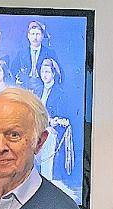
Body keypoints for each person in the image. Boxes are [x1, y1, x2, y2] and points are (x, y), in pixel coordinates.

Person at [33, 58, 74, 188]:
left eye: (48, 72)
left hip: (53, 133)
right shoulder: (37, 91)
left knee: (48, 136)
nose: (44, 75)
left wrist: (54, 121)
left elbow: (66, 119)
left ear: (53, 74)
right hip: (36, 130)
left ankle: (46, 180)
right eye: (43, 71)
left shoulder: (60, 94)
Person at [11, 20, 59, 93]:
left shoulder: (49, 53)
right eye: (32, 34)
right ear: (28, 36)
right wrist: (17, 83)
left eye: (38, 34)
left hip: (43, 87)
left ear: (42, 36)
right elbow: (12, 70)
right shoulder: (21, 54)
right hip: (25, 87)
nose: (35, 38)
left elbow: (57, 73)